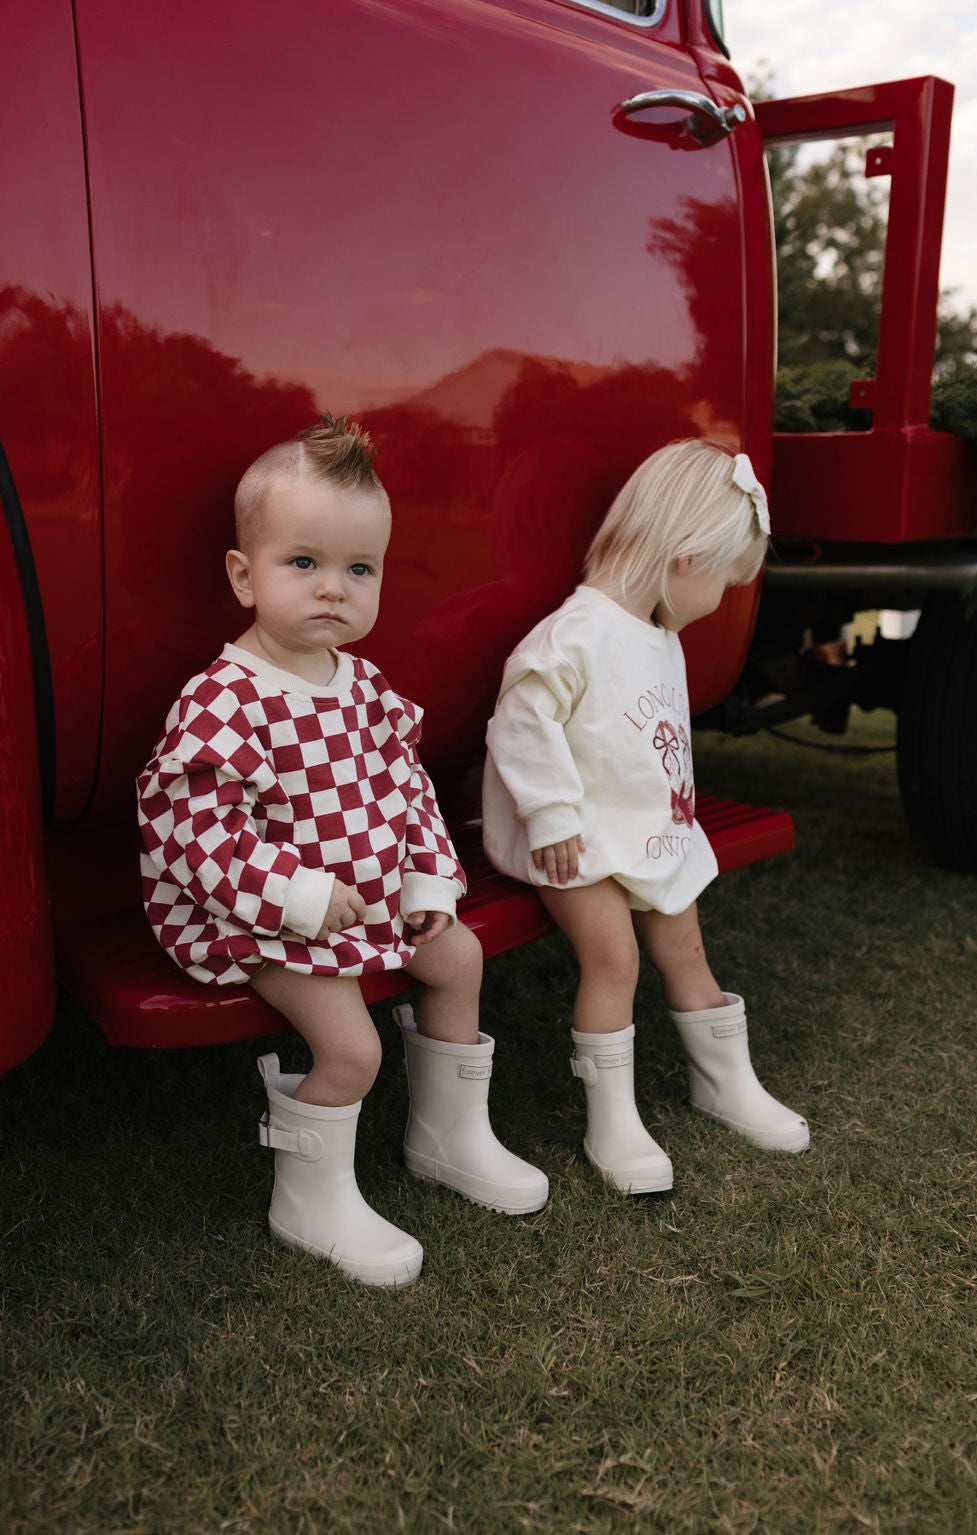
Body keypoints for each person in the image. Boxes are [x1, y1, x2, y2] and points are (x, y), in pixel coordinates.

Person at [137, 415, 547, 1287]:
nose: (334, 589)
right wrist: (297, 896)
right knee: (352, 1049)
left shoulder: (363, 684)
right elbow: (195, 839)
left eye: (359, 569)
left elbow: (408, 786)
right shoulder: (224, 700)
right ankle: (309, 1196)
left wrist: (428, 874)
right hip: (256, 918)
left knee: (460, 954)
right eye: (305, 564)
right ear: (244, 578)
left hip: (365, 896)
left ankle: (448, 1136)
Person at [482, 440, 808, 1194]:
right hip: (576, 839)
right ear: (686, 559)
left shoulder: (659, 634)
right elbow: (521, 719)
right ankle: (613, 1117)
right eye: (728, 581)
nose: (725, 599)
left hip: (646, 827)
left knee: (686, 948)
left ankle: (724, 1081)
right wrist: (552, 814)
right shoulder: (578, 633)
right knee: (614, 959)